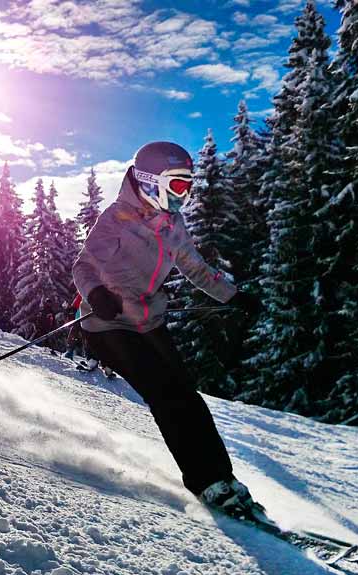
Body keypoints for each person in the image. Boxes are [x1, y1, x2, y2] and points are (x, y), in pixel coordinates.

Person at [72, 141, 263, 517]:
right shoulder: (115, 218)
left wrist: (233, 296)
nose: (184, 195)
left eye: (188, 187)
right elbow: (83, 266)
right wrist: (96, 293)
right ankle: (205, 482)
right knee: (166, 395)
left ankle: (224, 478)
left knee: (188, 396)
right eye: (177, 186)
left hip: (147, 320)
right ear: (149, 181)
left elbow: (195, 268)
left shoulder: (173, 224)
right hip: (108, 323)